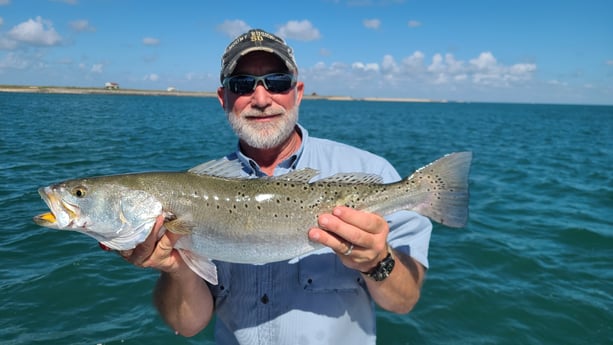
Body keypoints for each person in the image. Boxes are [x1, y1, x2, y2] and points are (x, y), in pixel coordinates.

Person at [120, 29, 432, 344]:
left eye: (277, 82)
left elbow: (404, 301)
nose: (261, 99)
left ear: (297, 92)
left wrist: (377, 261)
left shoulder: (371, 169)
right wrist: (177, 269)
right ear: (223, 98)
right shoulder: (200, 186)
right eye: (242, 85)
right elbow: (187, 326)